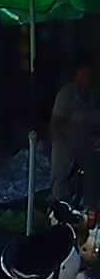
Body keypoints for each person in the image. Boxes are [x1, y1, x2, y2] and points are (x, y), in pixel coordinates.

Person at [51, 54, 100, 203]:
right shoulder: (66, 94)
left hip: (88, 151)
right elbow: (55, 125)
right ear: (77, 73)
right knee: (63, 190)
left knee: (88, 189)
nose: (88, 77)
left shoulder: (93, 95)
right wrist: (68, 145)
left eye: (91, 74)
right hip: (66, 152)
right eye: (85, 73)